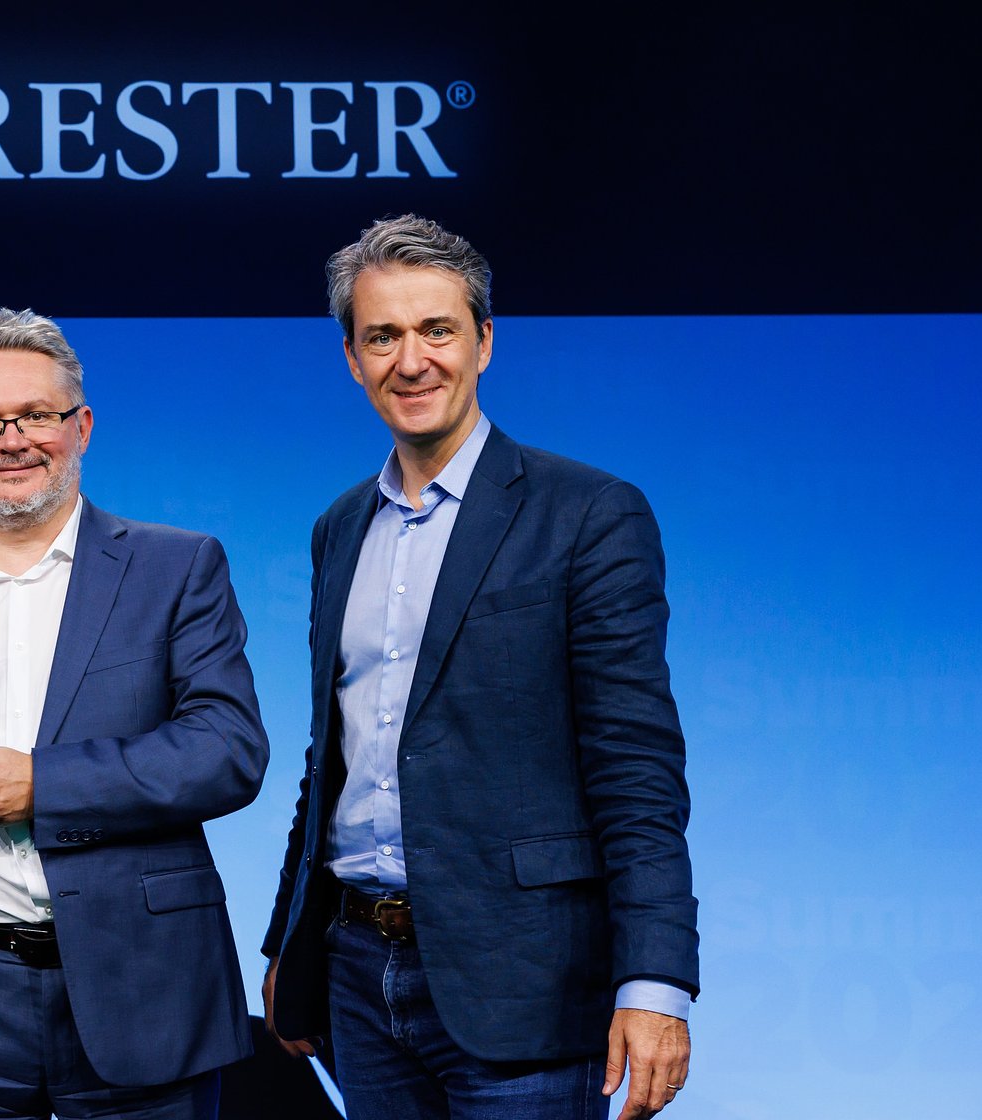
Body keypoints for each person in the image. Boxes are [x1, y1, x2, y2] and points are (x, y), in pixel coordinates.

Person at [260, 215, 698, 1120]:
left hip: (528, 980)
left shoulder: (589, 514)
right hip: (355, 975)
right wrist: (285, 945)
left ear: (485, 342)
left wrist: (655, 982)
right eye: (383, 336)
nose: (411, 360)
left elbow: (636, 767)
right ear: (352, 358)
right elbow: (332, 756)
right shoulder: (339, 528)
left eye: (437, 330)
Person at [0, 309, 269, 1119]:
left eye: (36, 415)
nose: (11, 441)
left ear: (82, 427)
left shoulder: (176, 567)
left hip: (142, 983)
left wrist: (45, 784)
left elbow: (227, 750)